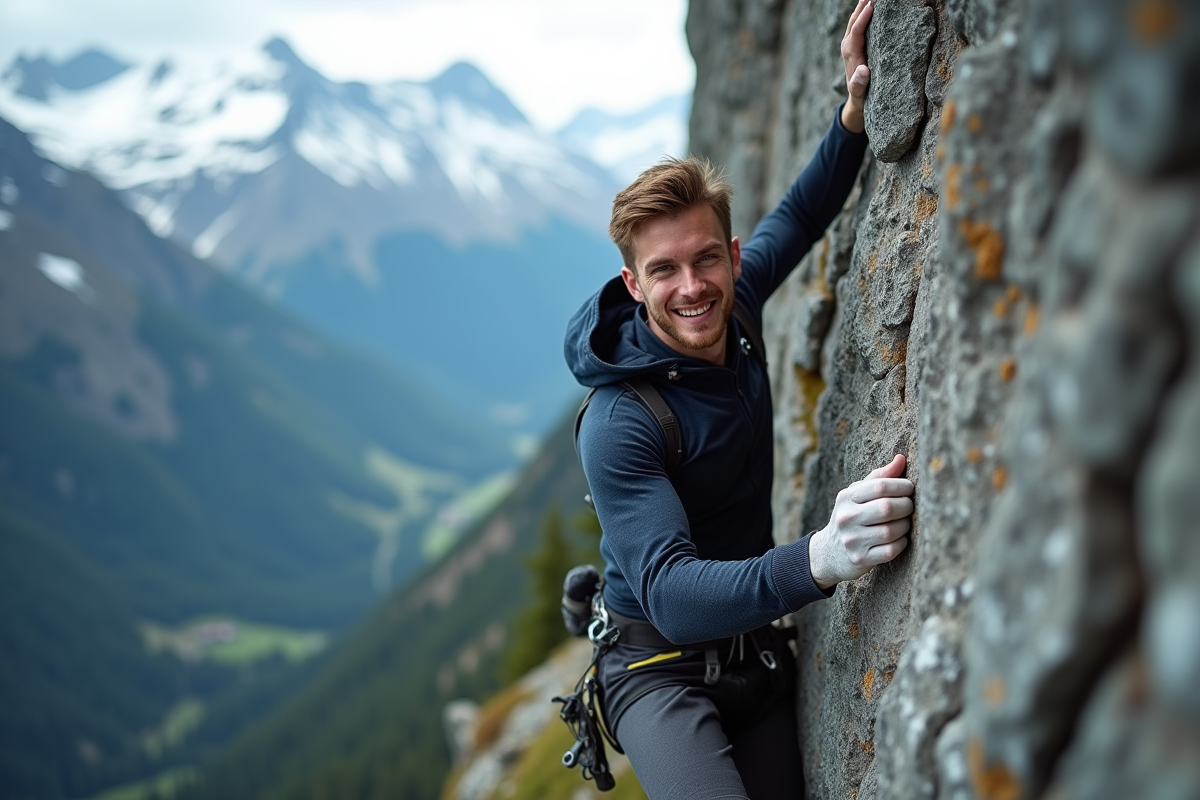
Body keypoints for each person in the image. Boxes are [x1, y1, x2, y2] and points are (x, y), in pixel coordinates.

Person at [563, 1, 913, 798]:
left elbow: (796, 216)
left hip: (753, 645)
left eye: (706, 259)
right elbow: (679, 601)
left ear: (727, 252)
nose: (692, 289)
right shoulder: (621, 420)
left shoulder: (734, 301)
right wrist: (821, 558)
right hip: (658, 666)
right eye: (664, 271)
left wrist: (852, 117)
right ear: (632, 283)